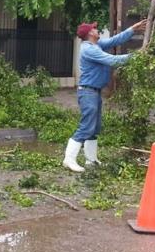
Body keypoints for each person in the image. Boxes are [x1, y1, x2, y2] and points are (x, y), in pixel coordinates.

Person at [63, 19, 148, 172]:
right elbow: (113, 60)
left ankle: (91, 160)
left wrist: (132, 29)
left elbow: (115, 40)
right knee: (86, 126)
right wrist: (137, 55)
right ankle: (69, 159)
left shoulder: (96, 45)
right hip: (88, 92)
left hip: (94, 92)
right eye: (95, 29)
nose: (98, 30)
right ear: (90, 33)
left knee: (94, 127)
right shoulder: (90, 49)